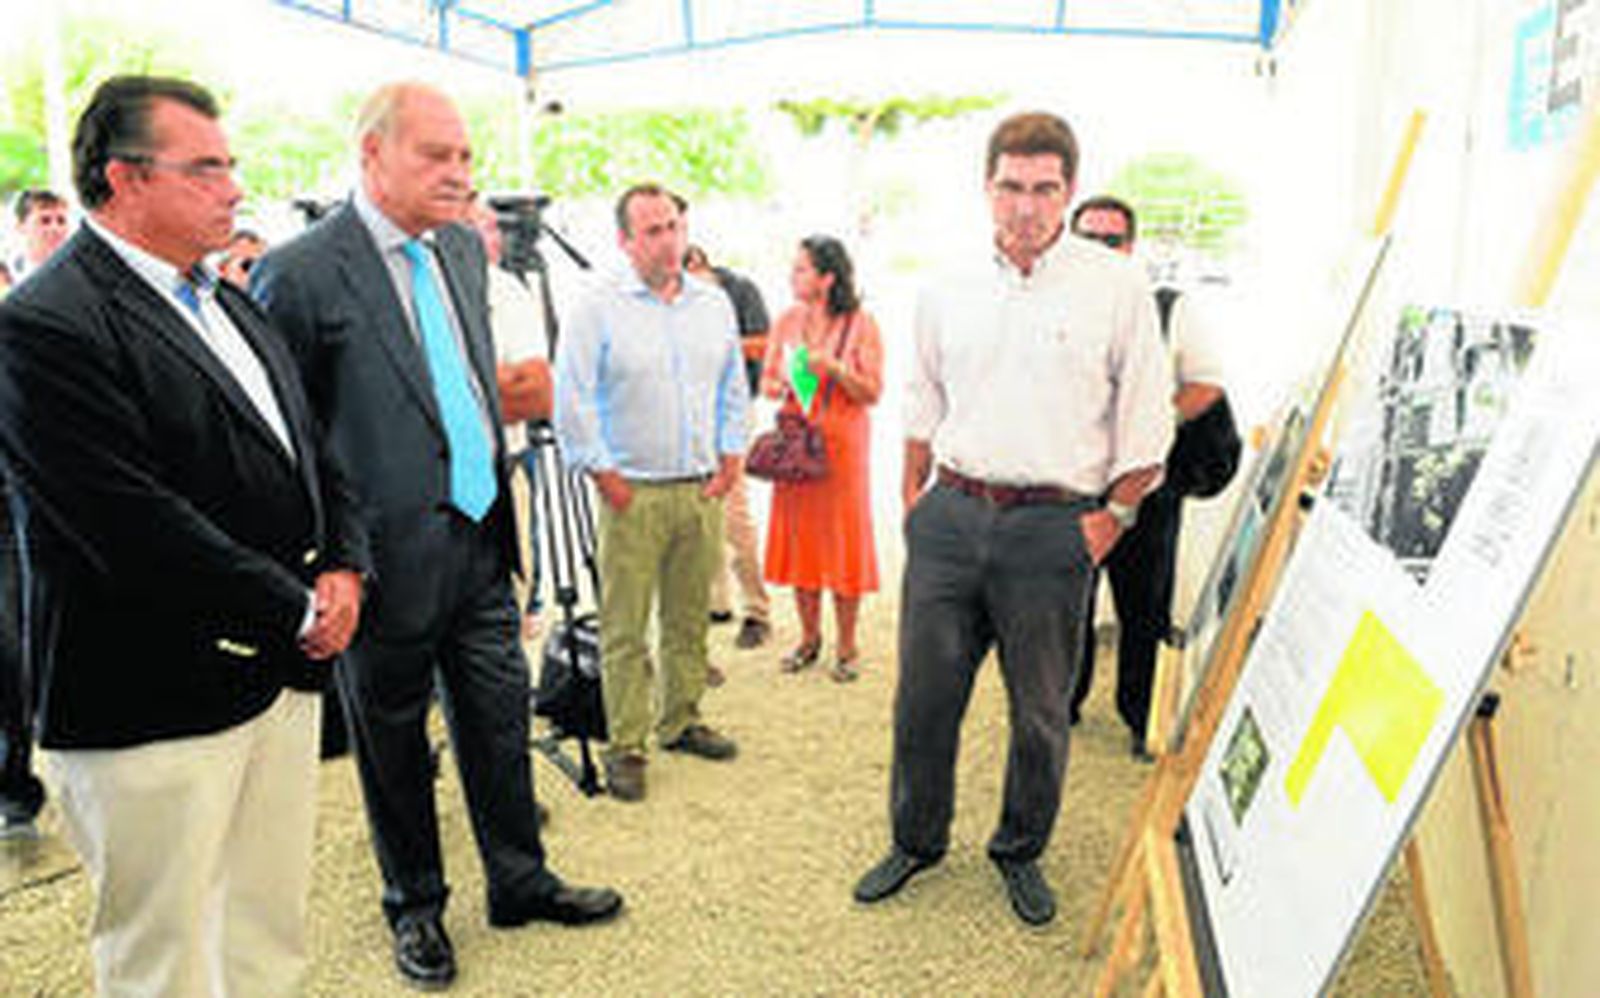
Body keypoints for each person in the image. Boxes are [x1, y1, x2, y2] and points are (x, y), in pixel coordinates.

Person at [0, 75, 371, 994]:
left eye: (231, 166)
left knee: (264, 931)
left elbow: (313, 455)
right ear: (124, 180)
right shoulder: (44, 324)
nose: (234, 188)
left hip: (276, 676)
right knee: (162, 955)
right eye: (205, 169)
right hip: (149, 699)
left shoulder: (232, 301)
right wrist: (295, 606)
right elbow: (126, 521)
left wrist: (348, 566)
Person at [252, 82, 621, 991]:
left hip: (482, 537)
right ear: (372, 155)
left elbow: (457, 379)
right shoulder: (300, 273)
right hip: (377, 562)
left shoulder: (458, 247)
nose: (462, 173)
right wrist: (331, 559)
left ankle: (519, 880)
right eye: (437, 157)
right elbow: (289, 440)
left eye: (465, 155)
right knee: (392, 744)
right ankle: (414, 905)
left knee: (498, 719)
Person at [852, 111, 1173, 927]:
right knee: (923, 700)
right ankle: (916, 840)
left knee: (1039, 713)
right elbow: (921, 403)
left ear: (1067, 189)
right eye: (1010, 187)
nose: (1025, 206)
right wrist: (913, 504)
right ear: (985, 188)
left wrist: (1110, 521)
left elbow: (1148, 423)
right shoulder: (946, 281)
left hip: (1053, 530)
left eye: (1043, 188)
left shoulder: (1116, 286)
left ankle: (1019, 850)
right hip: (952, 518)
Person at [554, 183, 746, 803]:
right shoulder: (597, 306)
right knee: (625, 626)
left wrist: (731, 455)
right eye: (653, 231)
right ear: (625, 240)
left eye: (674, 226)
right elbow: (572, 396)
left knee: (689, 616)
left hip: (699, 489)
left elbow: (731, 386)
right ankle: (627, 744)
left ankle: (682, 718)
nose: (668, 240)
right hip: (629, 492)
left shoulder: (713, 304)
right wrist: (603, 472)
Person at [1069, 195, 1228, 760]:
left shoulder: (1170, 310)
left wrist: (1152, 420)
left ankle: (1142, 718)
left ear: (1130, 247)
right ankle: (1063, 704)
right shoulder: (1053, 306)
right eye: (1087, 238)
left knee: (1145, 610)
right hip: (1072, 487)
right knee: (1067, 603)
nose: (1098, 250)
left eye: (1109, 240)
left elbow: (1206, 386)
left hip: (1149, 489)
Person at [759, 235, 883, 681]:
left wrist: (835, 369)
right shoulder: (786, 320)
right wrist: (780, 384)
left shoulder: (861, 323)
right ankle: (808, 638)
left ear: (828, 277)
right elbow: (769, 380)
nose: (793, 276)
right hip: (796, 442)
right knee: (801, 540)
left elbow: (872, 391)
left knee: (843, 541)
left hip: (843, 447)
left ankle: (847, 645)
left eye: (802, 269)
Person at [467, 194, 553, 640]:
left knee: (512, 590)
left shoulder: (508, 291)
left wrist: (449, 389)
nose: (496, 237)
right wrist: (495, 379)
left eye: (494, 227)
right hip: (429, 484)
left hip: (509, 464)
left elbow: (537, 394)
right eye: (483, 226)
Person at [684, 243, 772, 649]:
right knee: (700, 511)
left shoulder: (741, 290)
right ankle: (715, 602)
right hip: (688, 413)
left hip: (733, 410)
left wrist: (713, 344)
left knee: (734, 512)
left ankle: (757, 610)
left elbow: (765, 345)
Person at [9, 188, 70, 278]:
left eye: (61, 221)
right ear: (21, 226)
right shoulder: (8, 276)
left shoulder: (81, 271)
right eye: (45, 221)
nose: (55, 228)